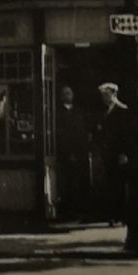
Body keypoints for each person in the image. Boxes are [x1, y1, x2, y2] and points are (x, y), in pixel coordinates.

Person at [96, 82, 138, 226]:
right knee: (111, 185)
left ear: (114, 94)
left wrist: (124, 153)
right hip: (108, 153)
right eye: (103, 95)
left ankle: (121, 216)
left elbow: (127, 135)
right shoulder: (105, 111)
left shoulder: (122, 110)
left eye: (106, 95)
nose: (104, 98)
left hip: (119, 154)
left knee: (119, 185)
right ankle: (114, 215)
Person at [56, 86, 91, 220]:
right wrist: (69, 152)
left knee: (82, 182)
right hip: (67, 154)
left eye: (69, 93)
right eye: (64, 94)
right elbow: (62, 135)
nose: (67, 96)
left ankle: (82, 210)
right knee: (69, 183)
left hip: (81, 152)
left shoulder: (78, 112)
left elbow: (83, 132)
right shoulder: (59, 113)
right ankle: (69, 211)